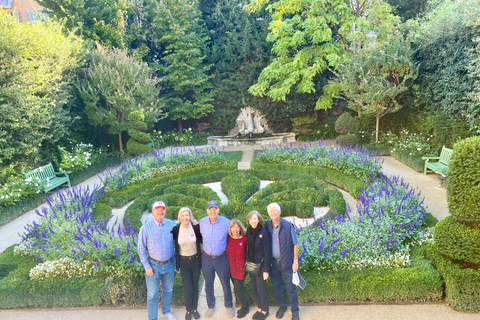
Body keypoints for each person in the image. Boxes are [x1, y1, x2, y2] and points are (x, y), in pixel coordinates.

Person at [138, 201, 177, 320]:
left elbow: (183, 232)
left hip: (169, 264)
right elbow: (141, 249)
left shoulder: (171, 224)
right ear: (153, 211)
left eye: (162, 209)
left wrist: (193, 222)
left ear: (165, 210)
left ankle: (166, 312)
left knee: (168, 290)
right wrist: (146, 266)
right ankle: (152, 318)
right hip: (153, 266)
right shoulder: (146, 228)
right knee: (152, 294)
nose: (160, 211)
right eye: (158, 209)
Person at [199, 200, 235, 318]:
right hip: (207, 258)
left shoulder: (226, 222)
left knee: (225, 282)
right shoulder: (202, 222)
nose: (213, 211)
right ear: (207, 211)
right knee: (208, 283)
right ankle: (211, 305)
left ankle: (228, 305)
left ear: (218, 210)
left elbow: (233, 236)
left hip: (221, 258)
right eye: (210, 209)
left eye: (215, 209)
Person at [265, 203, 300, 320]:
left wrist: (295, 262)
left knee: (291, 288)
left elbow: (295, 244)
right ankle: (282, 306)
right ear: (268, 213)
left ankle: (295, 311)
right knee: (277, 287)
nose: (273, 213)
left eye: (275, 211)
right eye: (271, 211)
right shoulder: (267, 225)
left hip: (286, 263)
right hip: (273, 263)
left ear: (280, 212)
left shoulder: (288, 225)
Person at [172, 207, 202, 320]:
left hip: (195, 261)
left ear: (190, 216)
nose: (185, 217)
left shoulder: (195, 227)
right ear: (179, 217)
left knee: (195, 286)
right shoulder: (176, 229)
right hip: (184, 262)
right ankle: (188, 309)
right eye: (183, 215)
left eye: (187, 215)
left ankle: (194, 308)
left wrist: (199, 225)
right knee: (187, 288)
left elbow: (203, 238)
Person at [246, 211, 271, 320]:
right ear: (248, 221)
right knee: (254, 288)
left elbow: (267, 253)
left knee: (261, 289)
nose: (253, 221)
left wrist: (266, 270)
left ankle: (265, 310)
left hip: (260, 266)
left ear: (259, 219)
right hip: (251, 265)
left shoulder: (264, 233)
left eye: (255, 219)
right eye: (251, 219)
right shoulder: (248, 231)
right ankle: (259, 308)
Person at [226, 219, 249, 318]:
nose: (235, 229)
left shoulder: (245, 239)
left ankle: (246, 307)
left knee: (237, 290)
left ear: (240, 228)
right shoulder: (228, 239)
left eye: (237, 227)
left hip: (241, 269)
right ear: (230, 229)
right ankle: (243, 305)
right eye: (233, 227)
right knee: (237, 289)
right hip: (230, 269)